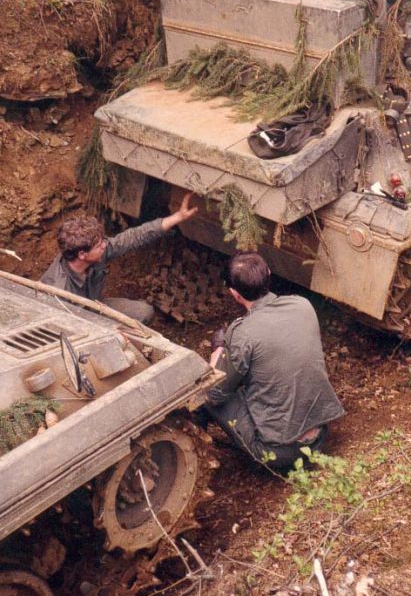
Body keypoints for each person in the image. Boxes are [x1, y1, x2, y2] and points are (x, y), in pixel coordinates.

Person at [205, 252, 344, 470]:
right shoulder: (303, 305)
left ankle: (202, 451)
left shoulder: (243, 333)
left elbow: (214, 393)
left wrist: (218, 352)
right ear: (269, 274)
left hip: (282, 454)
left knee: (205, 390)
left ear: (234, 294)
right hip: (320, 436)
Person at [41, 193, 198, 323]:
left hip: (93, 307)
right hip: (74, 324)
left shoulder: (96, 253)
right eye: (98, 245)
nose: (104, 245)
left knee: (144, 312)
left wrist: (175, 218)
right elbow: (65, 330)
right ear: (82, 254)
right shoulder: (58, 290)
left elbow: (132, 238)